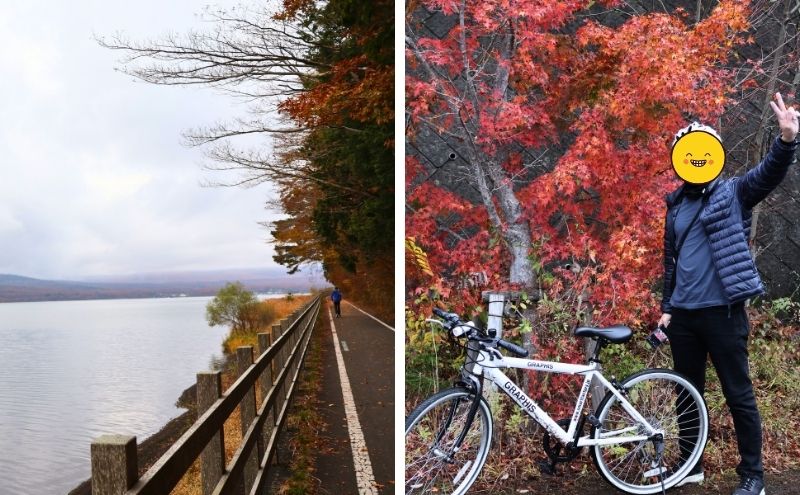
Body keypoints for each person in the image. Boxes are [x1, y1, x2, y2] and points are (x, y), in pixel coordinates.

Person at [659, 92, 798, 495]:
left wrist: (787, 140)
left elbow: (767, 175)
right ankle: (690, 466)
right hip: (683, 316)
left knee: (738, 395)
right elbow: (672, 262)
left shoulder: (732, 193)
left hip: (723, 313)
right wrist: (667, 308)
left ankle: (753, 476)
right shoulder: (675, 206)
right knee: (688, 395)